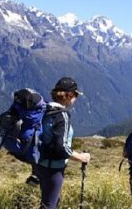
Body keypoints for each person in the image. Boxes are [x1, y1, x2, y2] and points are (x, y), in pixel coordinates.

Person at [33, 77, 91, 209]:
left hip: (39, 164)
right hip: (53, 168)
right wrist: (81, 157)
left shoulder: (45, 109)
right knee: (49, 205)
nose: (76, 98)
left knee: (49, 201)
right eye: (75, 95)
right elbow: (61, 147)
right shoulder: (62, 115)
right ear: (69, 95)